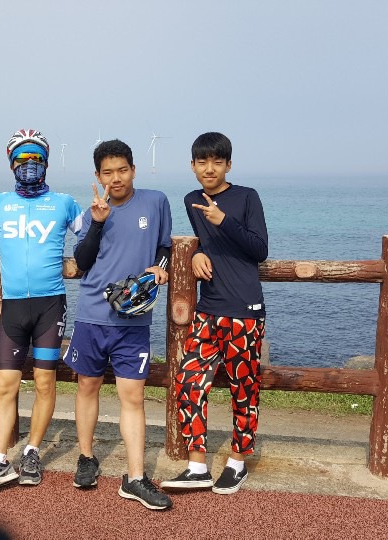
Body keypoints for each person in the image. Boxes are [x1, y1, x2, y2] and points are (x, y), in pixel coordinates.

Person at [0, 129, 83, 494]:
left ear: (46, 163)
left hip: (50, 305)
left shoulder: (64, 203)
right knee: (4, 385)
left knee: (45, 382)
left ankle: (32, 451)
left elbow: (90, 239)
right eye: (22, 160)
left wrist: (77, 262)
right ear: (11, 165)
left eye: (36, 159)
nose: (29, 166)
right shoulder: (1, 203)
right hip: (13, 307)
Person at [64, 139, 173, 510]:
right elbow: (82, 261)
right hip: (92, 314)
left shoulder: (156, 202)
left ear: (134, 170)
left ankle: (136, 477)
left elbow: (164, 246)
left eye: (122, 170)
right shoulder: (91, 212)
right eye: (108, 173)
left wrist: (160, 267)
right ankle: (86, 457)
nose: (116, 178)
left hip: (134, 318)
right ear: (98, 176)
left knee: (133, 396)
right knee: (87, 386)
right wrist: (97, 222)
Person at [161, 132, 268, 495]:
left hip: (245, 311)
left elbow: (259, 249)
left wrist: (224, 220)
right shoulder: (191, 200)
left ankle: (237, 462)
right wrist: (195, 253)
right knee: (189, 381)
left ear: (228, 165)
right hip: (208, 309)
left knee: (244, 389)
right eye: (202, 162)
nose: (210, 169)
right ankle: (197, 467)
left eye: (217, 162)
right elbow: (206, 242)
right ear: (192, 166)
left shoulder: (247, 197)